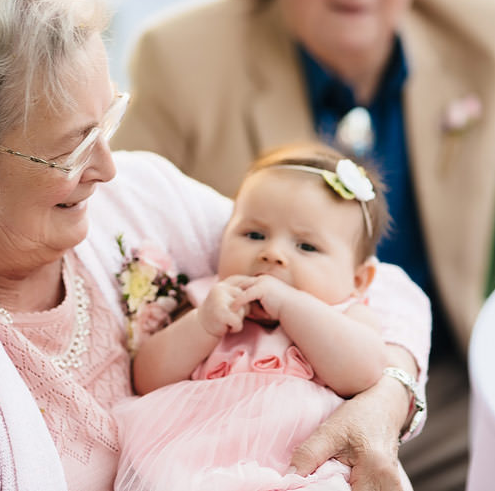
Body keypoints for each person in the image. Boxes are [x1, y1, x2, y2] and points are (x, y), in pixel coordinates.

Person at [0, 0, 431, 490]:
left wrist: (386, 395)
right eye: (71, 145)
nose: (109, 169)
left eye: (107, 120)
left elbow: (373, 282)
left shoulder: (138, 198)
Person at [112, 0, 495, 489]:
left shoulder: (483, 37)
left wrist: (392, 389)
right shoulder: (184, 59)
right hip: (232, 422)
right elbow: (114, 223)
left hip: (441, 396)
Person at [113, 142, 421, 491]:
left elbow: (363, 372)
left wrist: (291, 306)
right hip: (200, 465)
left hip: (308, 469)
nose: (272, 254)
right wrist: (201, 324)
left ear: (357, 279)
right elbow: (147, 379)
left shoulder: (346, 315)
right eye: (253, 234)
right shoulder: (207, 300)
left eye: (306, 246)